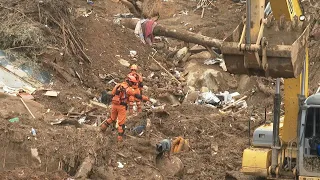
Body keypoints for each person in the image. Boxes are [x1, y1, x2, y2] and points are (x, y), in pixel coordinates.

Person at [100, 75, 149, 141]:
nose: (133, 84)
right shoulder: (129, 89)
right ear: (130, 82)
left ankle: (102, 130)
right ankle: (120, 141)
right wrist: (145, 98)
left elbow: (112, 94)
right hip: (121, 107)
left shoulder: (118, 85)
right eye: (132, 83)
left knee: (112, 118)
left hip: (114, 105)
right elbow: (137, 95)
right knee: (121, 124)